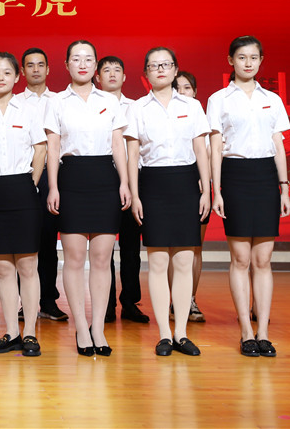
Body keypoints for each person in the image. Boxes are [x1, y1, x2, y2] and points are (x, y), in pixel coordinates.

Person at [207, 35, 290, 357]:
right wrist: (217, 189)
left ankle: (264, 332)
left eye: (254, 57)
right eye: (241, 57)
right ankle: (245, 331)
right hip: (235, 175)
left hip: (267, 176)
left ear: (260, 61)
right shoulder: (219, 99)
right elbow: (216, 146)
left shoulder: (272, 99)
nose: (248, 63)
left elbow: (278, 144)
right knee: (241, 259)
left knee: (263, 260)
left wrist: (283, 187)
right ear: (231, 60)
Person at [44, 41, 131, 357]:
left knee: (102, 258)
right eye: (76, 59)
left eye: (88, 59)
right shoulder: (56, 101)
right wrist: (53, 187)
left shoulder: (109, 100)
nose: (82, 64)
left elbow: (118, 144)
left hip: (105, 178)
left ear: (95, 66)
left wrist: (124, 183)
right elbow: (53, 147)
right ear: (66, 64)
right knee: (74, 257)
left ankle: (98, 327)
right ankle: (81, 327)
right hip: (72, 178)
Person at [125, 47, 210, 357]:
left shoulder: (193, 105)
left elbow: (201, 150)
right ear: (146, 74)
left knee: (185, 260)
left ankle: (182, 334)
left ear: (175, 70)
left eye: (166, 64)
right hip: (152, 184)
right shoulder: (137, 108)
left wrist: (206, 190)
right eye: (153, 66)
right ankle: (163, 334)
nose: (160, 69)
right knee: (159, 262)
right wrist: (135, 195)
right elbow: (132, 155)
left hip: (186, 183)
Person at [0, 52, 47, 357]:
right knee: (4, 267)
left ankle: (30, 333)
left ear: (17, 77)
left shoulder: (29, 110)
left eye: (7, 72)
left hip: (23, 188)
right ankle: (11, 332)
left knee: (27, 265)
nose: (1, 77)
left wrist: (31, 182)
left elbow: (40, 149)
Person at [14, 48, 67, 322]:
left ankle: (48, 301)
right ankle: (25, 303)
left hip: (51, 176)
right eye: (30, 65)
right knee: (23, 243)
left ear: (48, 69)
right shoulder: (14, 102)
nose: (35, 69)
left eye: (40, 65)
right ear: (22, 71)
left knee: (47, 241)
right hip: (22, 175)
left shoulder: (59, 101)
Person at [97, 56, 150, 325]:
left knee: (131, 247)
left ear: (125, 77)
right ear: (97, 77)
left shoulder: (135, 107)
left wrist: (132, 183)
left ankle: (130, 302)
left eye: (117, 70)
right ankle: (105, 305)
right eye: (106, 70)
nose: (112, 74)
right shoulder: (92, 105)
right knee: (103, 247)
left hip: (134, 179)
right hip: (103, 179)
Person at [169, 70, 208, 323]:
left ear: (195, 91)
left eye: (187, 87)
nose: (182, 92)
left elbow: (209, 153)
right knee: (173, 248)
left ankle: (190, 299)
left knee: (194, 248)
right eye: (178, 88)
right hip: (173, 183)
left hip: (198, 184)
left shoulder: (200, 115)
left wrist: (208, 186)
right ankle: (174, 300)